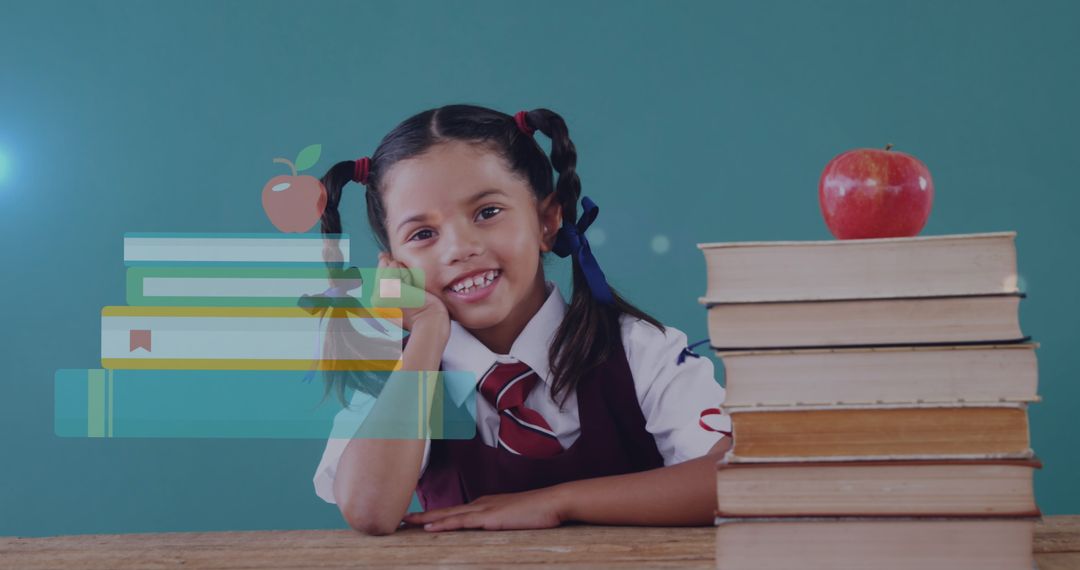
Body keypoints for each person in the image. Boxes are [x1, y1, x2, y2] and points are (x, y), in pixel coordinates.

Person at [311, 104, 730, 535]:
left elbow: (735, 480)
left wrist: (557, 503)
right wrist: (427, 332)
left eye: (487, 212)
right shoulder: (398, 372)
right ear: (394, 265)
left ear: (548, 221)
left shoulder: (640, 349)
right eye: (423, 234)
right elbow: (368, 510)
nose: (459, 248)